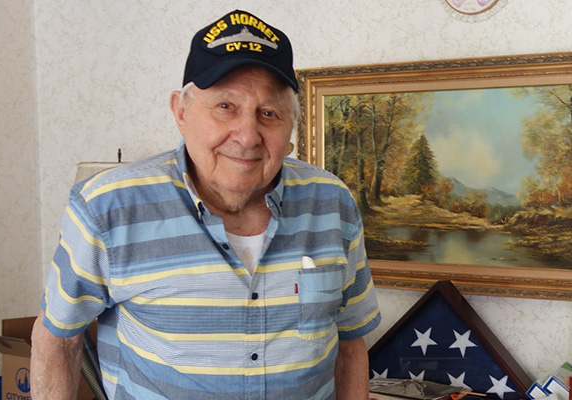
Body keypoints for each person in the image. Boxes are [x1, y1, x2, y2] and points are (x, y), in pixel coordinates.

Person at [30, 9, 381, 400]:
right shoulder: (108, 207)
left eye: (268, 113)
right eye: (225, 107)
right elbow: (57, 339)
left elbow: (350, 343)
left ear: (290, 128)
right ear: (181, 112)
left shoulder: (333, 203)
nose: (247, 136)